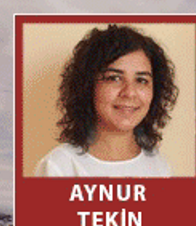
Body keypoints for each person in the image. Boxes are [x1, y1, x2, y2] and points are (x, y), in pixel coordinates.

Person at [34, 24, 178, 177]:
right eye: (114, 78)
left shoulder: (160, 168)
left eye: (141, 80)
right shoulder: (58, 167)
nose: (129, 92)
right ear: (88, 85)